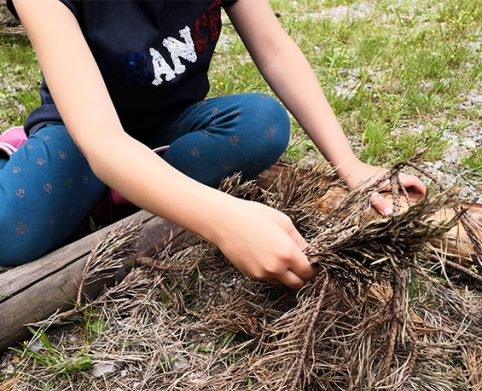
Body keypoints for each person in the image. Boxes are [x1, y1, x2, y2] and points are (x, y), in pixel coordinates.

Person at [1, 0, 426, 287]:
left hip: (171, 126)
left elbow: (275, 50)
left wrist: (349, 165)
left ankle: (131, 183)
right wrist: (225, 222)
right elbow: (99, 135)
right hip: (81, 136)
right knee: (12, 235)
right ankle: (81, 172)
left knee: (262, 123)